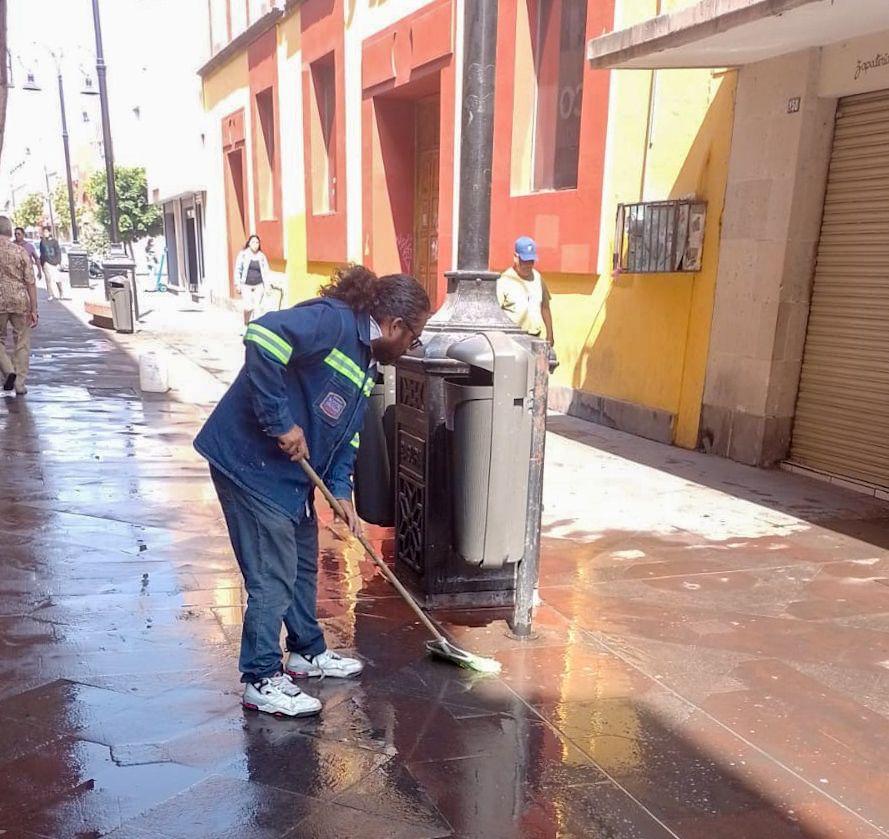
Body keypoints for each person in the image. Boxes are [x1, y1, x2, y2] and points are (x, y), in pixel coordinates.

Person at [194, 265, 430, 717]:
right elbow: (263, 337)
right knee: (273, 573)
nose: (411, 346)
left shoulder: (367, 362)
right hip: (249, 465)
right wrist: (280, 422)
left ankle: (306, 651)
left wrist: (341, 494)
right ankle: (261, 678)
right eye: (413, 336)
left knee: (303, 563)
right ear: (394, 325)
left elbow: (348, 437)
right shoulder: (333, 321)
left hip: (289, 478)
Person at [0, 216, 39, 396]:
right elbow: (30, 281)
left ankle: (9, 371)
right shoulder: (20, 251)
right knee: (21, 341)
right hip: (19, 300)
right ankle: (20, 384)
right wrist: (34, 309)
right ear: (9, 230)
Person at [497, 236, 555, 346]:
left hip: (535, 338)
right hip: (512, 340)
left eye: (531, 261)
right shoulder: (504, 281)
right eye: (525, 261)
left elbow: (545, 307)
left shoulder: (537, 277)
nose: (528, 265)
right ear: (515, 257)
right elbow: (496, 312)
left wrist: (550, 334)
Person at [233, 235, 272, 328]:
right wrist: (237, 284)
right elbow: (238, 269)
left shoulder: (261, 256)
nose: (255, 244)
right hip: (246, 285)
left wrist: (267, 286)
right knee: (248, 306)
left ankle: (254, 329)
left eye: (257, 242)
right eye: (253, 242)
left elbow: (266, 272)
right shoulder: (243, 254)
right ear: (249, 243)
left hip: (259, 285)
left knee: (257, 308)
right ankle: (246, 324)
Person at [38, 226, 66, 301]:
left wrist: (59, 262)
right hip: (46, 262)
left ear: (49, 232)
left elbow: (58, 252)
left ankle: (61, 293)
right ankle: (50, 294)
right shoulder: (42, 242)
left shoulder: (54, 242)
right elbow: (41, 252)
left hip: (54, 262)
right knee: (48, 279)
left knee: (57, 279)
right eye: (44, 232)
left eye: (46, 232)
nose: (45, 234)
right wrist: (42, 263)